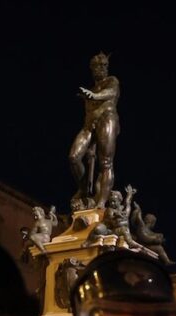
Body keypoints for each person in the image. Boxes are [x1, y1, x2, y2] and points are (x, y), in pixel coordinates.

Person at [69, 52, 120, 209]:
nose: (102, 69)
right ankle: (84, 187)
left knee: (105, 162)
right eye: (98, 66)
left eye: (104, 66)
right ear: (92, 69)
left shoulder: (112, 81)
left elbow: (111, 93)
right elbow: (88, 113)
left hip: (107, 119)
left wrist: (94, 96)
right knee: (74, 157)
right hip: (89, 125)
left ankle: (101, 202)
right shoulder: (89, 91)